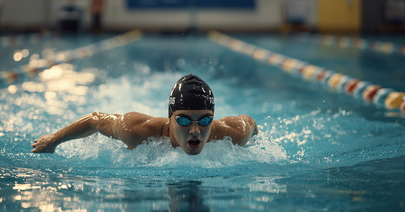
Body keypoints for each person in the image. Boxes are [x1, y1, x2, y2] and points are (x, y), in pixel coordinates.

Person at [31, 74, 258, 155]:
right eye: (184, 120)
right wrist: (54, 140)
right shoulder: (136, 131)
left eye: (205, 119)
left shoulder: (232, 133)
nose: (196, 130)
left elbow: (251, 123)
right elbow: (94, 119)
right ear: (170, 118)